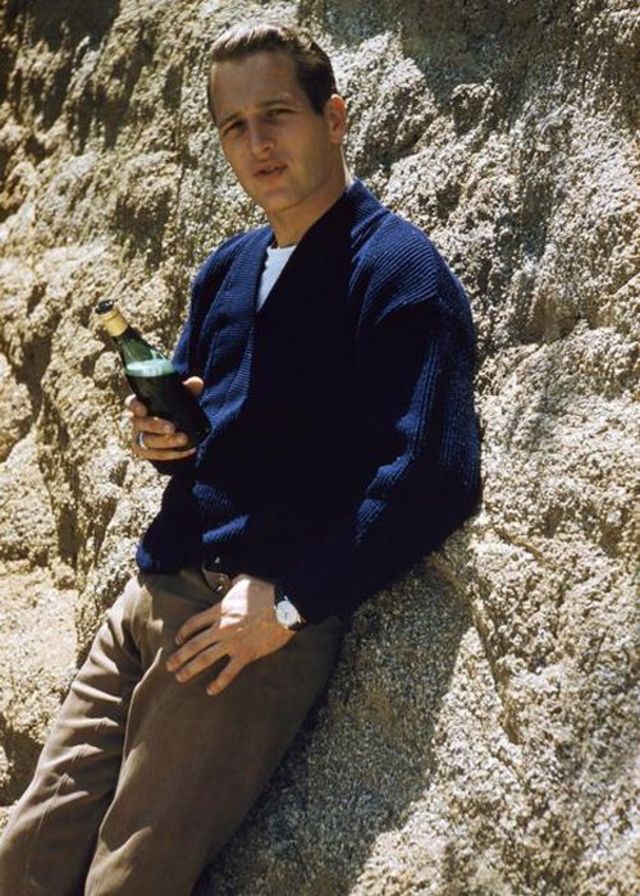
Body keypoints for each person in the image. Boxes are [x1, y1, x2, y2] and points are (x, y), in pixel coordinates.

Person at [0, 22, 480, 896]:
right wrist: (163, 441)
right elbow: (216, 437)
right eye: (234, 125)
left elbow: (433, 479)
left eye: (277, 114)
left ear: (334, 118)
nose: (257, 144)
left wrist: (290, 605)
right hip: (150, 595)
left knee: (129, 881)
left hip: (243, 636)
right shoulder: (228, 268)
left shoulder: (399, 272)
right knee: (23, 859)